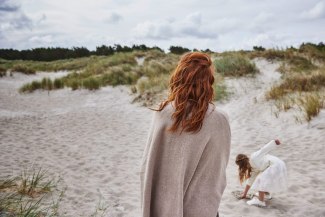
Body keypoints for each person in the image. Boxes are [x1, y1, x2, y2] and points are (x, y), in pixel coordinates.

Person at [140, 52, 231, 217]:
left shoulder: (163, 112)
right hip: (203, 209)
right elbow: (218, 174)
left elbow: (148, 167)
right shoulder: (220, 119)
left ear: (179, 77)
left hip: (163, 208)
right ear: (209, 82)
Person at [235, 139, 287, 207]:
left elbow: (263, 149)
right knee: (263, 178)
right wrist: (245, 194)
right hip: (278, 165)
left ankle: (260, 201)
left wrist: (273, 142)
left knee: (260, 180)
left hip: (275, 165)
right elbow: (251, 180)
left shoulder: (254, 157)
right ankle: (266, 194)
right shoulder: (253, 167)